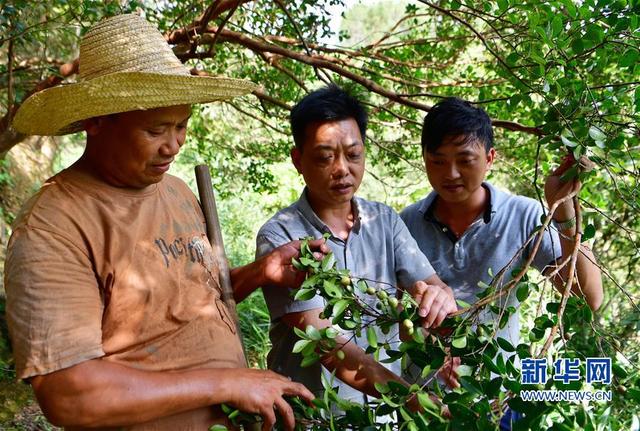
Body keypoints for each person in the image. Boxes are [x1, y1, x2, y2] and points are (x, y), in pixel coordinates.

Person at [4, 14, 328, 431]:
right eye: (155, 129)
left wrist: (259, 273)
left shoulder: (176, 191)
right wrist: (226, 383)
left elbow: (187, 299)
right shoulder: (54, 225)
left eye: (182, 125)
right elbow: (71, 395)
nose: (173, 145)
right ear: (96, 122)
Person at [255, 85, 457, 405]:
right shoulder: (280, 237)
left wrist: (438, 299)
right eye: (324, 157)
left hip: (382, 415)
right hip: (316, 418)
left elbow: (429, 285)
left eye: (353, 155)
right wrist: (410, 400)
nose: (342, 169)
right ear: (298, 160)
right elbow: (327, 345)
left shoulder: (385, 221)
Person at [400, 97, 604, 392]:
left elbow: (587, 298)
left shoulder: (522, 215)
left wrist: (563, 210)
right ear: (425, 159)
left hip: (498, 395)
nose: (451, 173)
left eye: (465, 160)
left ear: (490, 159)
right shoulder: (406, 224)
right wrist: (428, 342)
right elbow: (390, 311)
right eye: (438, 161)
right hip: (421, 399)